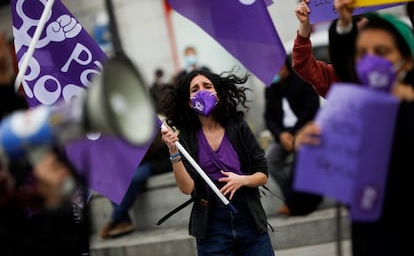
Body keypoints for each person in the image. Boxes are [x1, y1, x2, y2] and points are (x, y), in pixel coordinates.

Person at [291, 0, 414, 255]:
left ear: (407, 60)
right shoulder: (345, 122)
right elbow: (301, 202)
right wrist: (306, 153)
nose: (371, 61)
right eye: (361, 52)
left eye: (381, 51)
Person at [160, 68, 275, 255]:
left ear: (218, 95)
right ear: (190, 102)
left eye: (207, 86)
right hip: (212, 226)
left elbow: (263, 175)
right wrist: (174, 152)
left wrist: (242, 180)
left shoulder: (238, 128)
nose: (202, 91)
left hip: (249, 220)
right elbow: (187, 189)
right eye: (195, 89)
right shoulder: (187, 139)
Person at [263, 57, 320, 216]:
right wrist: (281, 135)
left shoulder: (302, 80)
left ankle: (299, 203)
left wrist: (295, 134)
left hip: (304, 130)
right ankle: (292, 199)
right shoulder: (270, 88)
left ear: (284, 66)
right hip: (283, 135)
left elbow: (311, 110)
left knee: (302, 157)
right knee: (271, 160)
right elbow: (269, 118)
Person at [98, 131, 172, 239]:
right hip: (138, 162)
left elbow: (154, 146)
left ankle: (115, 219)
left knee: (134, 178)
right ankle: (123, 221)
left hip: (157, 161)